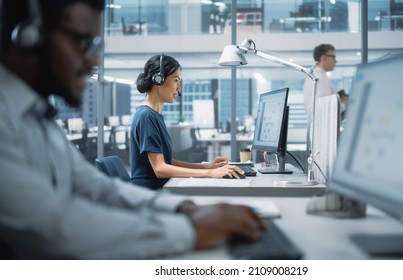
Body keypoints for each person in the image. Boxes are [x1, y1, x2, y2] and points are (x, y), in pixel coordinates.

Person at [0, 0, 263, 259]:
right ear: (29, 37)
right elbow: (55, 227)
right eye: (81, 42)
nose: (92, 61)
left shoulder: (39, 119)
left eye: (95, 46)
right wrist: (191, 227)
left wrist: (184, 207)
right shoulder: (6, 119)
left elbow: (100, 189)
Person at [130, 54, 244, 190]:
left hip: (160, 189)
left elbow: (165, 162)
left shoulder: (154, 115)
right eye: (175, 81)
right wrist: (210, 173)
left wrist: (206, 166)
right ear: (158, 80)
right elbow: (160, 169)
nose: (179, 90)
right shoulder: (145, 117)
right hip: (149, 194)